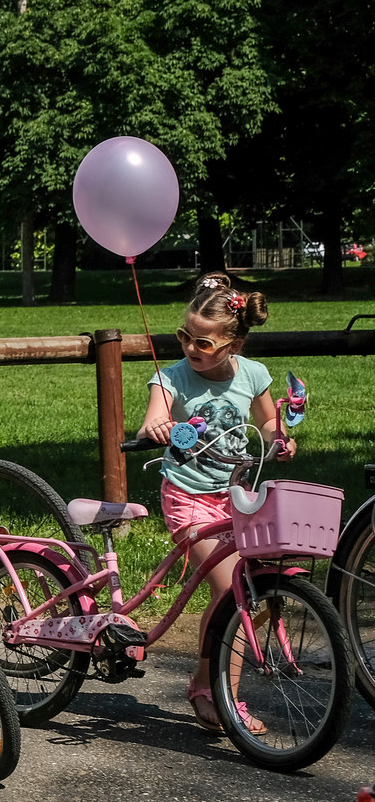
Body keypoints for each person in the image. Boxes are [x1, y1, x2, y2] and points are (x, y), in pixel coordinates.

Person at [137, 274, 289, 734]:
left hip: (237, 498)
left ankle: (206, 685)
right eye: (184, 336)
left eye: (202, 342)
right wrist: (159, 428)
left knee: (253, 595)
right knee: (233, 592)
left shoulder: (253, 375)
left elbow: (268, 423)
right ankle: (226, 700)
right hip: (187, 497)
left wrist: (279, 439)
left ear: (234, 344)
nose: (190, 348)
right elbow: (153, 419)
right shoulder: (171, 377)